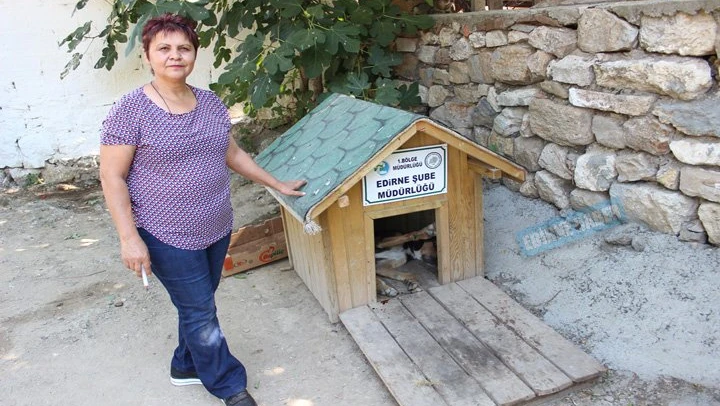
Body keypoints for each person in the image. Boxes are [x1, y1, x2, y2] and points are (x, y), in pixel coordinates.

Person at [99, 13, 306, 406]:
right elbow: (112, 177)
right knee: (200, 311)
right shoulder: (130, 110)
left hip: (216, 224)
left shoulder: (210, 102)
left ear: (194, 54)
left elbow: (232, 153)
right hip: (164, 233)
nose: (174, 55)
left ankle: (184, 364)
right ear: (147, 55)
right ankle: (229, 385)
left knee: (198, 302)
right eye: (164, 48)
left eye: (184, 48)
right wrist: (129, 239)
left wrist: (276, 183)